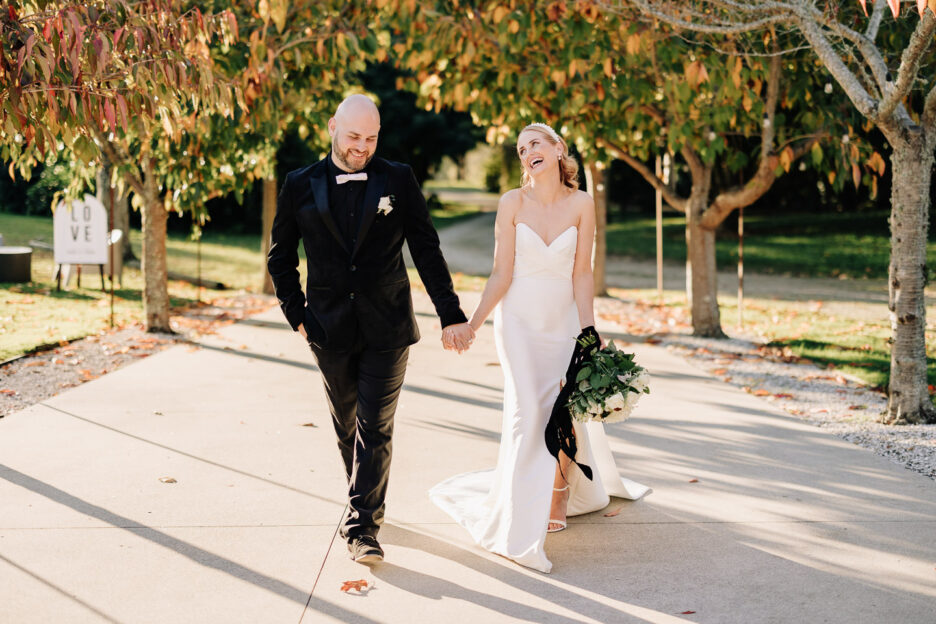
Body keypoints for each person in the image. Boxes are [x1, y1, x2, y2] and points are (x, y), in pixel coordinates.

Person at [429, 123, 650, 573]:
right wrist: (472, 322)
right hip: (520, 324)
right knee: (528, 411)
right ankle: (516, 519)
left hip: (564, 321)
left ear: (557, 150)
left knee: (562, 410)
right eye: (520, 147)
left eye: (535, 143)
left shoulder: (582, 204)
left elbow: (582, 274)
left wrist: (589, 329)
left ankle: (558, 495)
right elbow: (500, 273)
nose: (527, 151)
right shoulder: (512, 202)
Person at [268, 94, 475, 564]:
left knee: (374, 425)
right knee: (347, 426)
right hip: (327, 326)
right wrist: (297, 315)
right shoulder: (300, 183)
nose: (362, 147)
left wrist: (451, 313)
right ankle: (366, 496)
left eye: (371, 138)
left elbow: (426, 248)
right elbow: (280, 257)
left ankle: (362, 527)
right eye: (354, 136)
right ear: (332, 128)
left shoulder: (397, 178)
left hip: (389, 325)